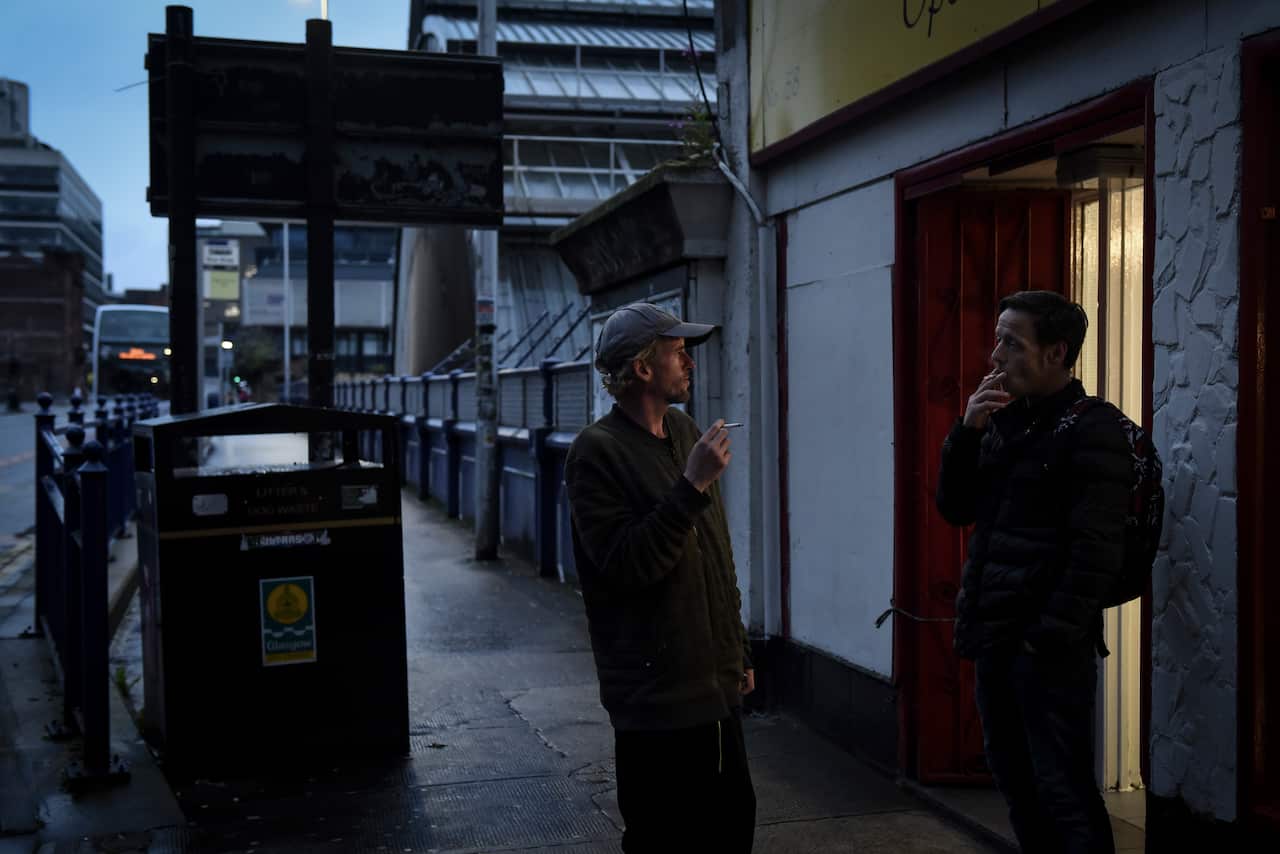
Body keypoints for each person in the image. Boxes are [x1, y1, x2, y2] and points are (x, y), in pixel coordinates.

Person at [935, 290, 1130, 854]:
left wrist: (1044, 639)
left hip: (1047, 653)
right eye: (998, 339)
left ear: (1055, 353)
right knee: (1017, 788)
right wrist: (966, 432)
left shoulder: (1092, 430)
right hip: (997, 639)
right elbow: (955, 507)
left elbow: (1095, 554)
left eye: (1011, 343)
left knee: (1063, 794)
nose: (995, 355)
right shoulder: (1005, 419)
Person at [564, 302, 756, 853]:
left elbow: (716, 552)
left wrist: (737, 649)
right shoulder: (596, 453)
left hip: (714, 687)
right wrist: (689, 487)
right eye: (678, 353)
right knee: (665, 839)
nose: (690, 363)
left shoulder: (683, 429)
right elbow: (627, 566)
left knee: (731, 828)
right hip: (656, 700)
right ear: (643, 369)